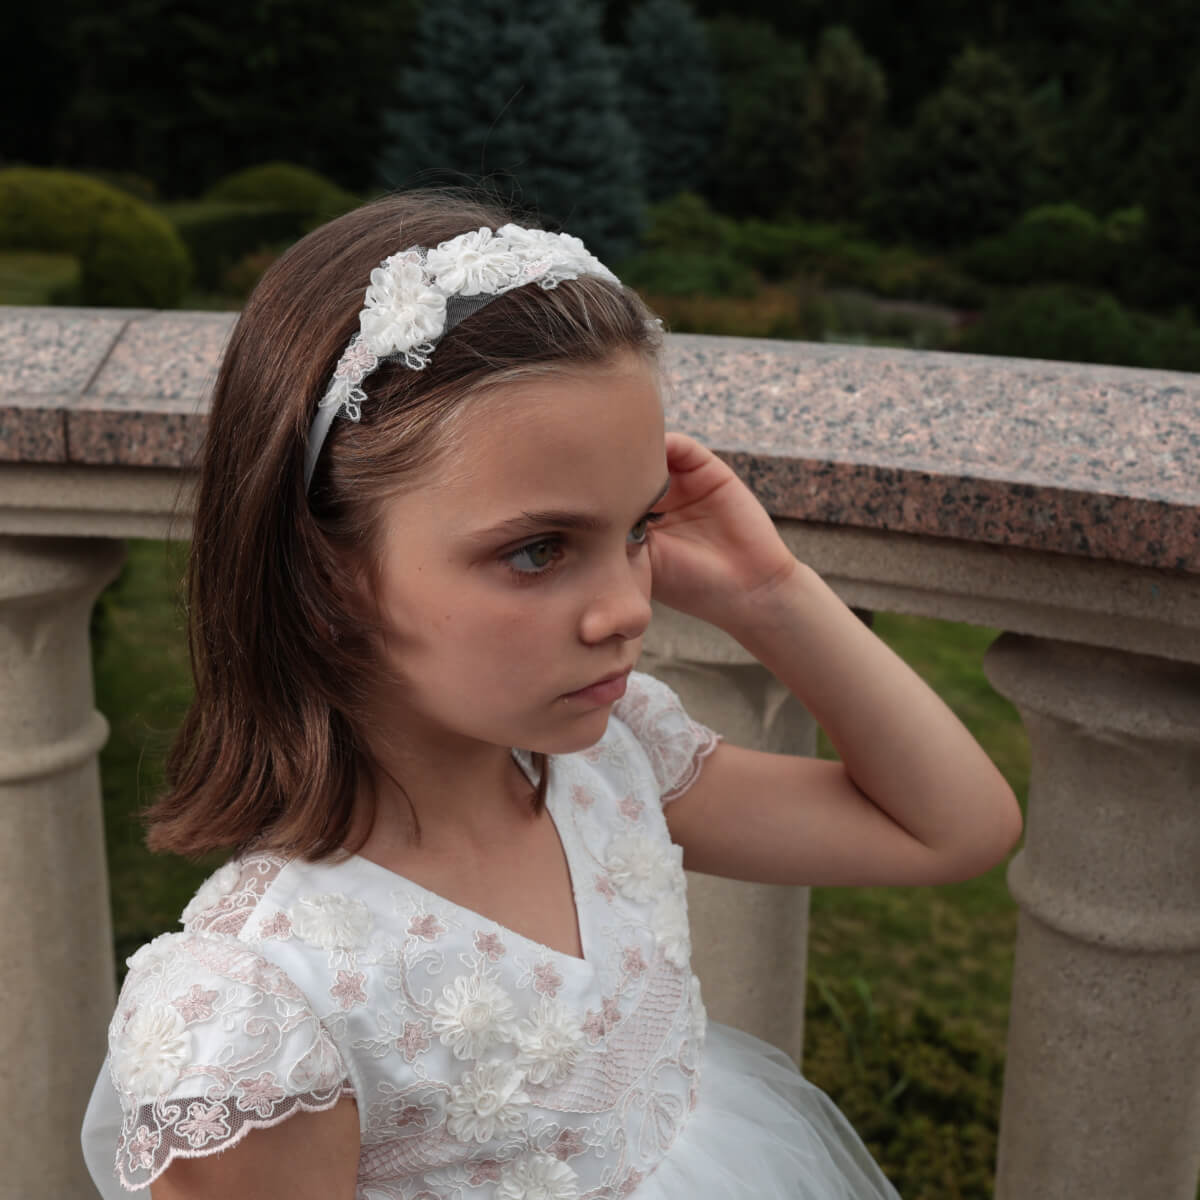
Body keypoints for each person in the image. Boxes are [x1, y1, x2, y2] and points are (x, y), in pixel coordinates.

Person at [80, 190, 1022, 1200]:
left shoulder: (611, 765)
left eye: (639, 528)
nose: (627, 609)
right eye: (538, 551)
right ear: (327, 570)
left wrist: (769, 593)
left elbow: (953, 830)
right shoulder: (261, 1012)